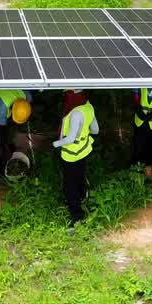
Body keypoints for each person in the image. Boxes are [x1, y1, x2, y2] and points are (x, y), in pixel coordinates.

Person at [53, 90, 98, 230]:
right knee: (80, 175)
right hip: (83, 150)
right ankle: (83, 195)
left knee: (70, 185)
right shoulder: (89, 107)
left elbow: (70, 138)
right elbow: (95, 130)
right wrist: (83, 132)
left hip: (71, 154)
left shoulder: (75, 113)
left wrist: (56, 144)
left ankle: (76, 216)